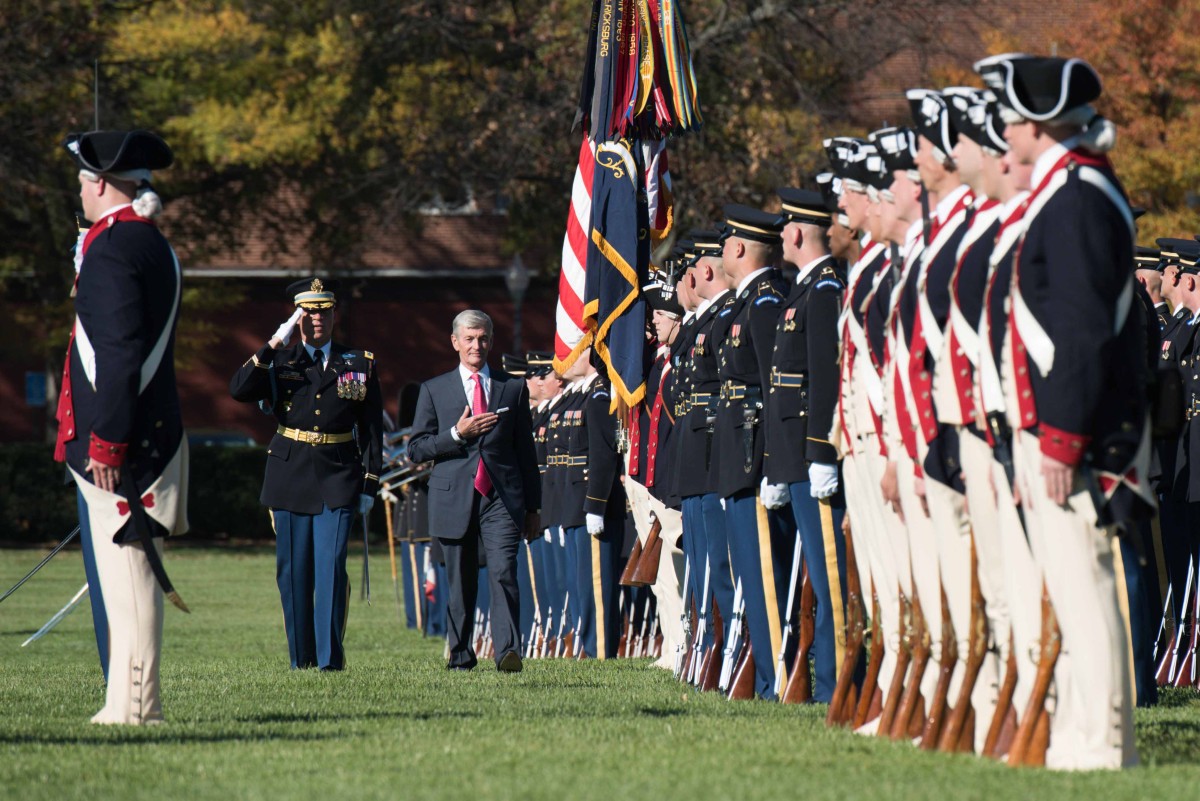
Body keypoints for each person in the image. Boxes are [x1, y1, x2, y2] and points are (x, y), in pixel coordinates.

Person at [977, 52, 1146, 770]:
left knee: (1086, 587)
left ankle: (1106, 744)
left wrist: (1064, 435)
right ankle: (1084, 736)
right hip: (1057, 425)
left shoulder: (1076, 196)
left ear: (1042, 125)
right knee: (1071, 588)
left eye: (1013, 118)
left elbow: (1079, 328)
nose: (1004, 132)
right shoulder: (1065, 191)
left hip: (1079, 432)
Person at [56, 129, 188, 724]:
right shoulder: (143, 243)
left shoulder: (115, 249)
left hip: (127, 442)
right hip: (144, 431)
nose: (80, 193)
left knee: (129, 577)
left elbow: (118, 352)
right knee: (124, 576)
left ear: (103, 182)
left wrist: (107, 440)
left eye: (83, 181)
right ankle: (125, 701)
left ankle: (135, 707)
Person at [229, 277, 383, 671]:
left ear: (335, 314)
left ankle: (330, 659)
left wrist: (370, 483)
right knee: (293, 573)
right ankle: (302, 660)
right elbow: (240, 389)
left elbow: (372, 430)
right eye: (309, 312)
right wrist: (273, 343)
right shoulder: (280, 360)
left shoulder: (359, 362)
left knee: (331, 568)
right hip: (289, 474)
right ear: (298, 317)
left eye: (324, 311)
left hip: (338, 474)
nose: (317, 319)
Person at [407, 310, 541, 671]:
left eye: (483, 338)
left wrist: (533, 507)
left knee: (503, 572)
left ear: (491, 341)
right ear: (455, 342)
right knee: (460, 582)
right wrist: (456, 435)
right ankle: (461, 655)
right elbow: (416, 449)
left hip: (501, 497)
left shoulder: (512, 388)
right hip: (453, 496)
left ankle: (508, 651)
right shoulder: (434, 390)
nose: (476, 345)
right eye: (469, 338)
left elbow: (526, 452)